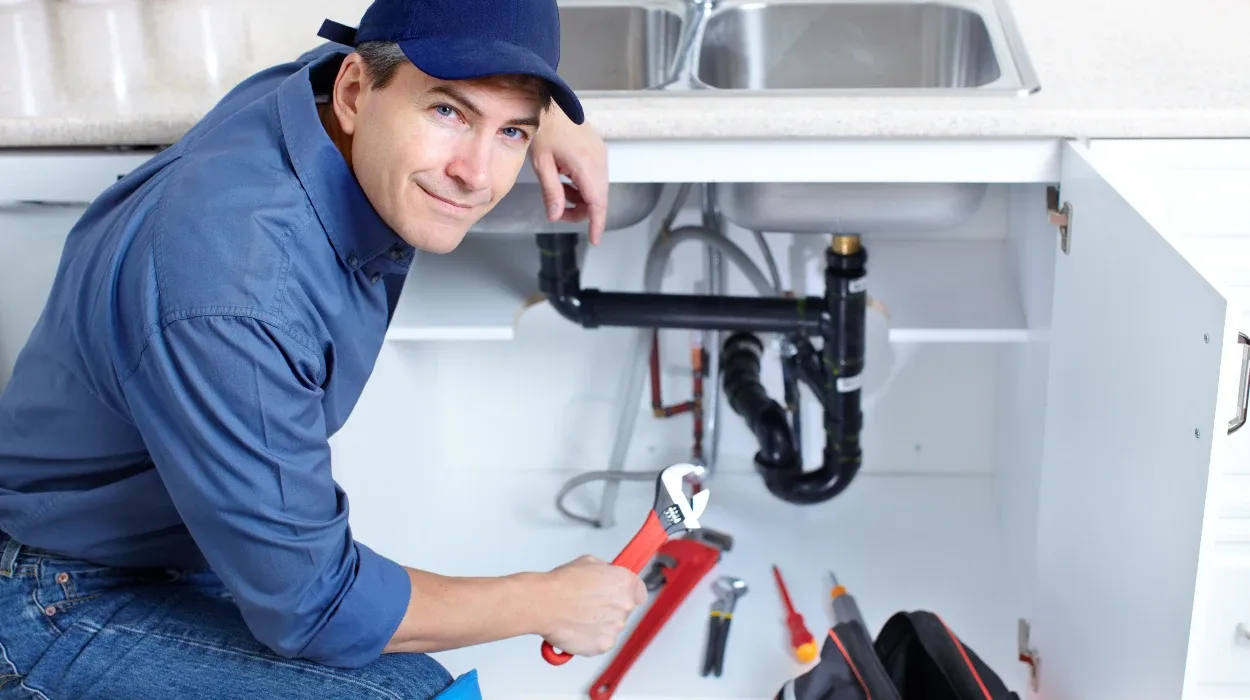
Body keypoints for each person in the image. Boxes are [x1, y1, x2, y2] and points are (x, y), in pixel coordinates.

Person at [0, 0, 648, 697]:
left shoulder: (309, 102)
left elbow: (408, 63)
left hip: (169, 546)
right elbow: (315, 606)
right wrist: (543, 601)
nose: (477, 174)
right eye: (447, 113)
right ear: (354, 93)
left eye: (510, 131)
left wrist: (547, 119)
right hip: (50, 596)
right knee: (414, 693)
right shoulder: (237, 289)